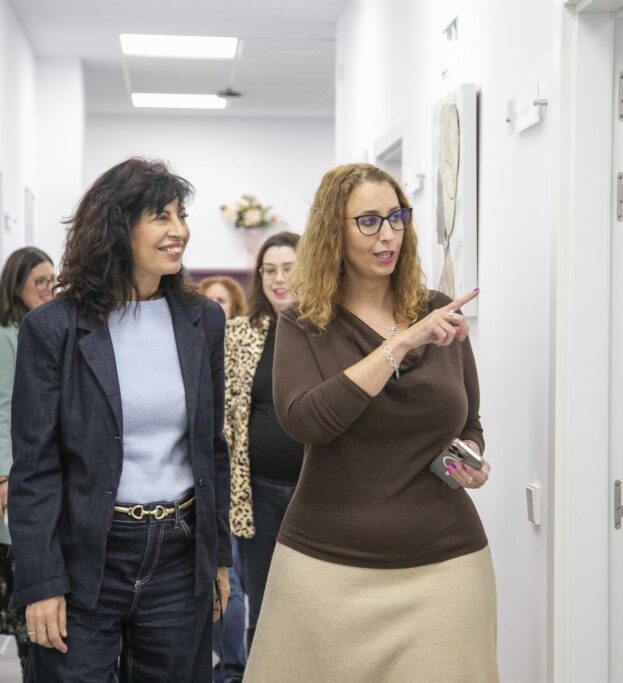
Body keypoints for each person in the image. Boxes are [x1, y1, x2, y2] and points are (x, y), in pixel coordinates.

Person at [244, 163, 497, 682]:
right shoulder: (305, 322)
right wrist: (399, 344)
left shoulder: (438, 310)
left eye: (397, 217)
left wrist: (467, 461)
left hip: (445, 564)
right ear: (332, 231)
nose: (388, 235)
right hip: (324, 568)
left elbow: (468, 421)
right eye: (369, 221)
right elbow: (307, 421)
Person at [8, 157, 232, 682]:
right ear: (117, 227)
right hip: (86, 553)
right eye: (161, 217)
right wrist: (41, 580)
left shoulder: (203, 320)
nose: (179, 231)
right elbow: (35, 468)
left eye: (181, 215)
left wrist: (217, 556)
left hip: (179, 554)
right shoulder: (53, 328)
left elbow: (211, 448)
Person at [0, 246, 55, 676]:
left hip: (42, 477)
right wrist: (1, 476)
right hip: (16, 480)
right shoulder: (0, 337)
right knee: (26, 602)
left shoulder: (42, 328)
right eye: (39, 282)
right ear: (17, 285)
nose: (48, 289)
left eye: (51, 281)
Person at [222, 231, 301, 654]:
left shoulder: (329, 332)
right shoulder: (239, 333)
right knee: (265, 607)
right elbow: (225, 414)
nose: (278, 279)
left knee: (314, 607)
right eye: (269, 270)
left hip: (319, 494)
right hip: (258, 494)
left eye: (288, 268)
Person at [197, 274, 249, 682]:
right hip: (211, 482)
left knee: (230, 582)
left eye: (222, 301)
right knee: (220, 582)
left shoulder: (247, 346)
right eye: (208, 301)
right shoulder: (195, 348)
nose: (216, 308)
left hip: (243, 484)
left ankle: (233, 670)